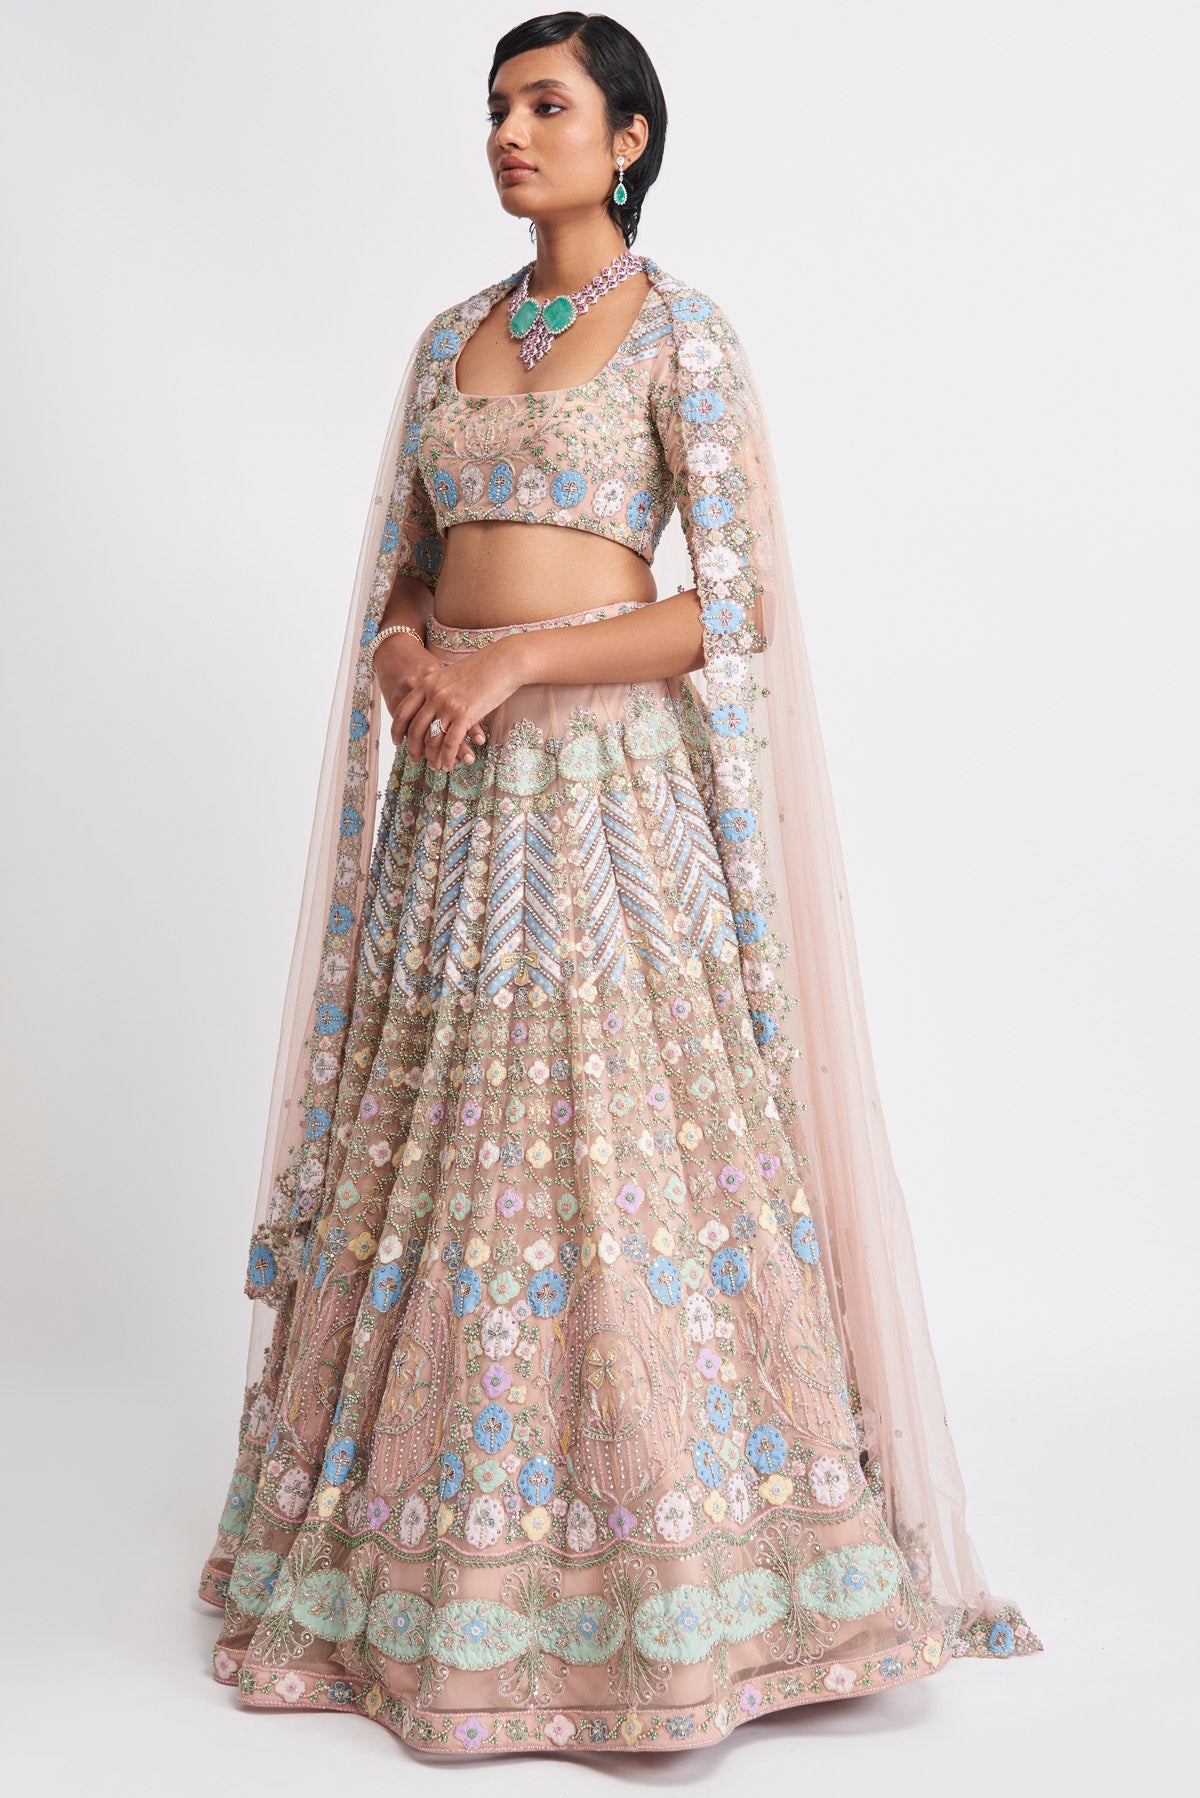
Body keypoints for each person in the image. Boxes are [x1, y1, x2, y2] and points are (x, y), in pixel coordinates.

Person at [196, 10, 1042, 1756]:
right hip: (455, 815)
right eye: (496, 107)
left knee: (612, 1153)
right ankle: (436, 1563)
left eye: (547, 104)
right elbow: (408, 574)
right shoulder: (447, 338)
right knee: (448, 1163)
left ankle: (682, 1570)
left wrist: (515, 662)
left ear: (629, 139)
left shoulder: (682, 335)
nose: (510, 133)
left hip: (604, 812)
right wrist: (414, 655)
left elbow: (730, 607)